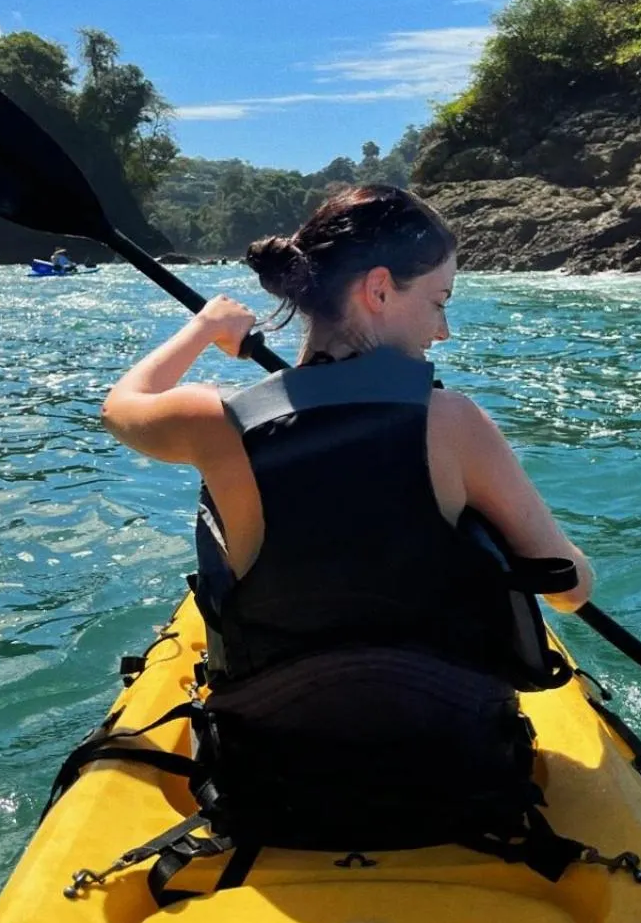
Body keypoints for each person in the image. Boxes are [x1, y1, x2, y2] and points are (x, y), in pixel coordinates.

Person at [100, 186, 595, 874]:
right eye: (439, 302)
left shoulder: (216, 422)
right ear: (379, 289)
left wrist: (205, 328)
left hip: (272, 780)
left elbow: (121, 406)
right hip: (454, 773)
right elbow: (569, 589)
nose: (443, 332)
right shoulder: (453, 422)